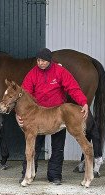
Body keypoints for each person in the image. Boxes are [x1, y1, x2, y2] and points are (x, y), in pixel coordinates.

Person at [16, 48, 88, 185]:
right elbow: (22, 95)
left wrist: (83, 102)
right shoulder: (32, 74)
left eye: (43, 60)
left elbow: (73, 87)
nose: (40, 63)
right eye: (38, 60)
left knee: (58, 146)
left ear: (50, 60)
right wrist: (18, 114)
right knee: (33, 144)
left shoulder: (60, 71)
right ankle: (28, 173)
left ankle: (55, 175)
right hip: (37, 114)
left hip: (57, 114)